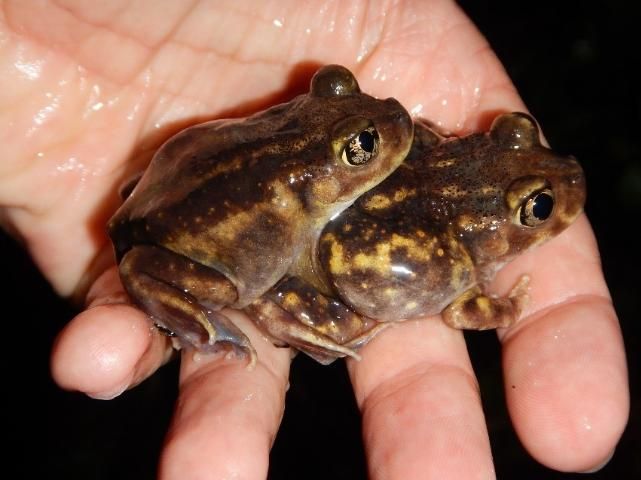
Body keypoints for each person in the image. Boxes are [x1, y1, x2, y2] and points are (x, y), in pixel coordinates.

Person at [0, 1, 628, 478]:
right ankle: (203, 315)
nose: (397, 121)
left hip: (169, 180)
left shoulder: (374, 189)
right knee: (230, 285)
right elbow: (302, 270)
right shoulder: (301, 216)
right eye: (359, 147)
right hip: (183, 247)